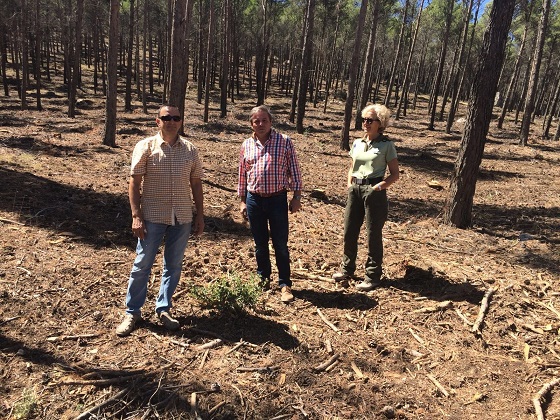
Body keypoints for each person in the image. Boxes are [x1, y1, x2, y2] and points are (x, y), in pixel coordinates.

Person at [116, 105, 204, 337]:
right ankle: (132, 312)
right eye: (167, 118)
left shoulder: (190, 150)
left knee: (173, 266)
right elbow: (134, 182)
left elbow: (196, 184)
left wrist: (200, 215)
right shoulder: (145, 147)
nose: (172, 121)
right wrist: (136, 216)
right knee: (142, 264)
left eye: (176, 117)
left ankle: (163, 308)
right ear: (158, 121)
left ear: (181, 121)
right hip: (152, 216)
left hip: (182, 216)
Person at [237, 105, 303, 303]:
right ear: (251, 124)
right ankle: (263, 278)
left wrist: (297, 197)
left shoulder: (284, 142)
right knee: (260, 244)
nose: (261, 124)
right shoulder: (246, 145)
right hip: (254, 200)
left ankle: (285, 284)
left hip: (277, 199)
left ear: (271, 122)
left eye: (264, 120)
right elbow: (242, 175)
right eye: (256, 121)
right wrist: (242, 201)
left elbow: (295, 172)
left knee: (280, 244)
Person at [333, 104, 399, 291]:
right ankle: (347, 269)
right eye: (364, 120)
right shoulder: (357, 143)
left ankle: (372, 276)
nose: (366, 123)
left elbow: (395, 174)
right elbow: (352, 166)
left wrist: (380, 186)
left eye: (370, 120)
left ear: (381, 123)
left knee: (372, 235)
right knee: (349, 231)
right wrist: (349, 184)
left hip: (374, 192)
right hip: (355, 190)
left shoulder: (386, 146)